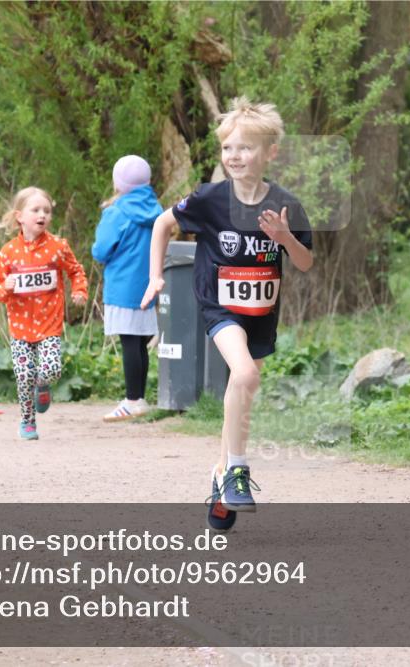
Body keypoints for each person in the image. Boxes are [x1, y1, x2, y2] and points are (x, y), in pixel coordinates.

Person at [140, 97, 313, 526]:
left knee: (243, 390)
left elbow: (306, 261)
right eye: (227, 148)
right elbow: (163, 224)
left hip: (261, 311)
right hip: (220, 306)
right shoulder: (209, 199)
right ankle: (237, 469)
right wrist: (155, 276)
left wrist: (285, 237)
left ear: (270, 152)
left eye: (246, 148)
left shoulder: (286, 203)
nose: (234, 157)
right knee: (247, 375)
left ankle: (220, 475)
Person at [0, 187, 88, 441]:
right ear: (19, 216)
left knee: (53, 369)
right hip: (20, 326)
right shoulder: (8, 252)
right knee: (23, 375)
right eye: (35, 210)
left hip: (49, 324)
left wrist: (79, 291)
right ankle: (27, 420)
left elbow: (76, 271)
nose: (42, 215)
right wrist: (6, 287)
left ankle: (43, 386)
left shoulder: (58, 247)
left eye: (47, 210)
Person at [92, 155, 163, 422]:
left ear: (118, 181)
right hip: (148, 284)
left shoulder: (117, 212)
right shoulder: (156, 209)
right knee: (139, 342)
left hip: (122, 285)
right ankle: (139, 397)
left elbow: (100, 251)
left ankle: (132, 400)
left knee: (129, 341)